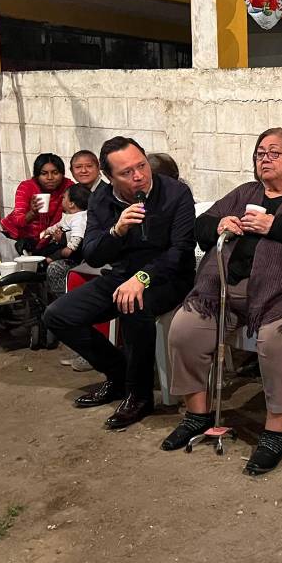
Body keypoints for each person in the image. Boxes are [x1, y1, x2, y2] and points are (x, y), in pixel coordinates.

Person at [162, 128, 282, 476]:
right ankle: (197, 415)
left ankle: (276, 431)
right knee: (184, 329)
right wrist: (219, 224)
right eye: (260, 152)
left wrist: (274, 226)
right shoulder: (245, 193)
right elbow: (199, 230)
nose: (264, 158)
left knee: (276, 340)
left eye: (274, 152)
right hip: (222, 291)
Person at [42, 136, 195, 429]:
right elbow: (94, 255)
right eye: (127, 172)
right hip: (120, 275)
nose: (139, 175)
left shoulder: (175, 193)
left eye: (142, 166)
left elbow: (180, 251)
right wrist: (117, 230)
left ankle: (139, 395)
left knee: (133, 305)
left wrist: (142, 278)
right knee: (58, 316)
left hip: (169, 278)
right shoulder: (102, 198)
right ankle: (119, 373)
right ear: (110, 177)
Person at [0, 153, 73, 251]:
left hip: (47, 239)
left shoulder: (68, 187)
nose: (50, 177)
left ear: (62, 174)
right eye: (44, 173)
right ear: (37, 175)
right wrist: (32, 213)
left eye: (55, 173)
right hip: (16, 236)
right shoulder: (27, 187)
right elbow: (18, 220)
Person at [42, 183, 91, 299]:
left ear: (71, 203)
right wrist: (47, 231)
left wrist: (69, 247)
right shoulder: (69, 216)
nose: (61, 199)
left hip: (75, 254)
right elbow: (58, 225)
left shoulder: (80, 218)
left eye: (64, 197)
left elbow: (78, 237)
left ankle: (61, 300)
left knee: (50, 261)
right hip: (62, 245)